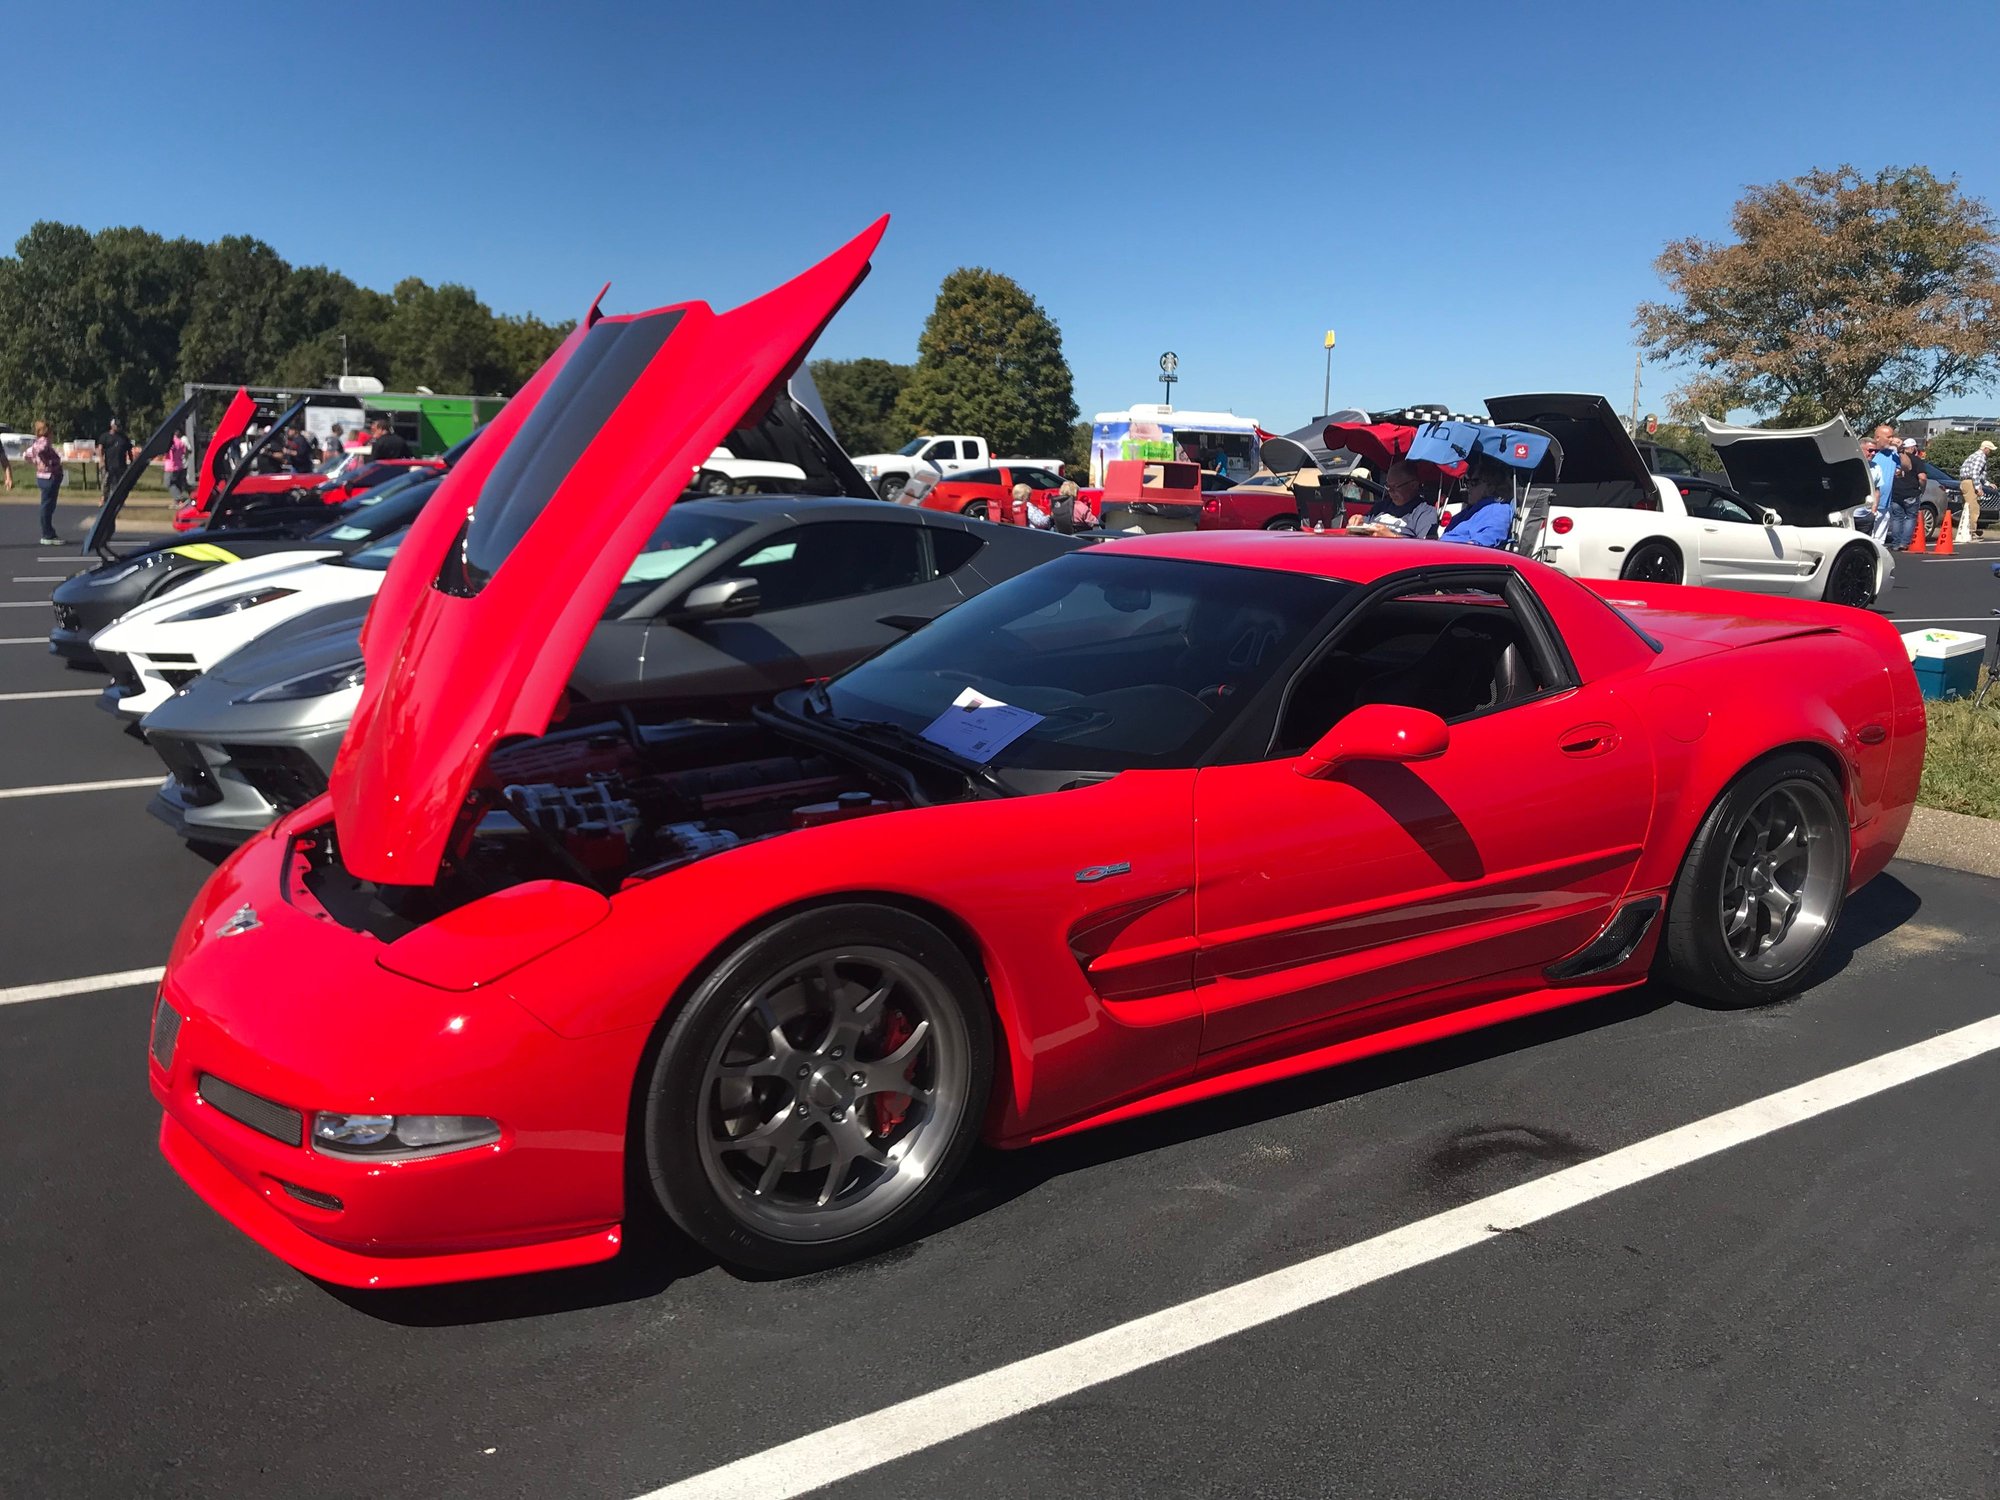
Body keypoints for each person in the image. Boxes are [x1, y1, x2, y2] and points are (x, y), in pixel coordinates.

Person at [1437, 453, 1516, 548]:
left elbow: (1493, 535)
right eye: (1467, 482)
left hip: (1463, 555)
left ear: (1491, 487)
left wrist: (1473, 544)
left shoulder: (1497, 509)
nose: (1468, 487)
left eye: (1474, 482)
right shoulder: (1465, 513)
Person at [1346, 461, 1439, 538]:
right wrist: (1358, 521)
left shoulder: (1424, 512)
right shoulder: (1381, 506)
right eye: (1388, 486)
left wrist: (1392, 537)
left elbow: (1426, 548)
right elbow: (1362, 525)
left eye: (1395, 487)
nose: (1390, 491)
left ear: (1413, 485)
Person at [26, 421, 64, 545]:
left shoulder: (37, 442)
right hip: (49, 476)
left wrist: (35, 462)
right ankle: (47, 534)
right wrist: (47, 461)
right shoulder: (44, 441)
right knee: (47, 506)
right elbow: (41, 450)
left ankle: (49, 532)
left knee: (47, 505)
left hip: (43, 476)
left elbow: (27, 454)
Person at [1886, 437, 1923, 549]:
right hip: (1911, 492)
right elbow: (1922, 477)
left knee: (1897, 518)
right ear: (1912, 448)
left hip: (1896, 493)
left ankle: (1895, 543)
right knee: (1910, 517)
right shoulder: (1917, 460)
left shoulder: (1894, 458)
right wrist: (1922, 489)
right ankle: (1904, 543)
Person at [1866, 425, 1901, 544]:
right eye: (1888, 437)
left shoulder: (1892, 454)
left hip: (1885, 504)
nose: (1891, 440)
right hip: (1868, 506)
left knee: (1879, 543)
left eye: (1892, 437)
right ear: (1877, 438)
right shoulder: (1869, 453)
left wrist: (1900, 450)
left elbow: (1907, 467)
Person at [1960, 440, 1993, 539]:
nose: (1990, 452)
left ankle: (1965, 530)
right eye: (1990, 449)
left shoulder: (1974, 455)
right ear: (1985, 448)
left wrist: (1987, 483)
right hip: (1970, 483)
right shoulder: (1981, 457)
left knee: (1966, 507)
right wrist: (1978, 487)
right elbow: (1975, 472)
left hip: (1965, 482)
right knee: (1973, 508)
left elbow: (1977, 473)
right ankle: (1972, 532)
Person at [97, 417, 135, 499]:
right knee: (106, 482)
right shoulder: (105, 436)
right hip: (108, 464)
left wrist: (132, 461)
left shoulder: (124, 438)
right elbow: (100, 448)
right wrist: (101, 460)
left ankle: (116, 499)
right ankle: (104, 498)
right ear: (112, 426)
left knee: (119, 483)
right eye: (116, 426)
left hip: (120, 465)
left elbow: (129, 450)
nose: (118, 427)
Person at [161, 429, 191, 502]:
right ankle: (178, 501)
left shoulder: (171, 442)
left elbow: (167, 451)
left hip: (170, 466)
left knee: (169, 483)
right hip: (179, 465)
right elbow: (185, 452)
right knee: (178, 484)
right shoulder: (180, 442)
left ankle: (179, 498)